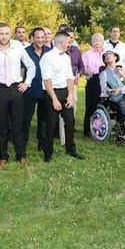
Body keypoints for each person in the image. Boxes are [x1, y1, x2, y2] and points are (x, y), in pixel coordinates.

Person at [0, 22, 36, 168]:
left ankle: (21, 155)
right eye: (1, 33)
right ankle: (3, 156)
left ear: (11, 34)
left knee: (18, 124)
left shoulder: (18, 47)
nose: (4, 36)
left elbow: (31, 65)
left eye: (7, 33)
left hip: (16, 89)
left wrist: (27, 82)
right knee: (2, 126)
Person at [40, 31, 84, 162]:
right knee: (52, 124)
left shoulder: (66, 57)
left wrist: (70, 95)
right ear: (60, 41)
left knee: (70, 121)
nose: (70, 44)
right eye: (68, 41)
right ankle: (48, 154)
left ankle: (71, 149)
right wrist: (54, 99)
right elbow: (47, 80)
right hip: (51, 93)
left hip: (65, 91)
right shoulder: (47, 57)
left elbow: (70, 77)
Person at [23, 27, 50, 152]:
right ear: (32, 38)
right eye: (37, 37)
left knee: (44, 119)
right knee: (26, 117)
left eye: (42, 37)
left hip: (45, 90)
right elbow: (22, 71)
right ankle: (23, 142)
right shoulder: (25, 52)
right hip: (30, 90)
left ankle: (42, 143)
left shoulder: (50, 52)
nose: (40, 40)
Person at [58, 27, 84, 145]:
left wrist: (79, 74)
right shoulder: (57, 52)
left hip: (73, 84)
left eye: (72, 38)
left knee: (72, 109)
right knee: (61, 111)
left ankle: (70, 134)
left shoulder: (76, 50)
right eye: (68, 37)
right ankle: (63, 139)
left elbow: (81, 66)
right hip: (59, 84)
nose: (70, 40)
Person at [81, 33, 105, 137]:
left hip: (105, 81)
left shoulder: (107, 53)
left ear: (103, 41)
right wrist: (86, 71)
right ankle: (88, 131)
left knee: (104, 106)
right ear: (92, 42)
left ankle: (101, 129)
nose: (97, 41)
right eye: (95, 39)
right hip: (93, 82)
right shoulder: (86, 54)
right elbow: (82, 69)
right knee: (91, 106)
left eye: (99, 39)